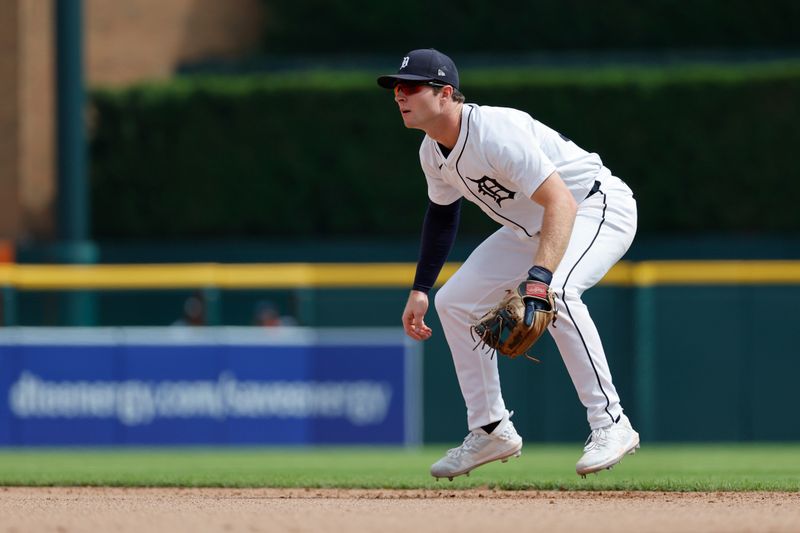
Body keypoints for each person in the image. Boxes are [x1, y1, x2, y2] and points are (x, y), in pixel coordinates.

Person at [377, 49, 640, 480]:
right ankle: (491, 429)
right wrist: (421, 288)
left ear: (445, 94)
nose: (399, 96)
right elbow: (443, 216)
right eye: (395, 89)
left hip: (594, 206)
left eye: (410, 87)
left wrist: (538, 279)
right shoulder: (432, 151)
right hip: (532, 228)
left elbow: (560, 201)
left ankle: (610, 422)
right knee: (455, 302)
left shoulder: (495, 131)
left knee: (557, 295)